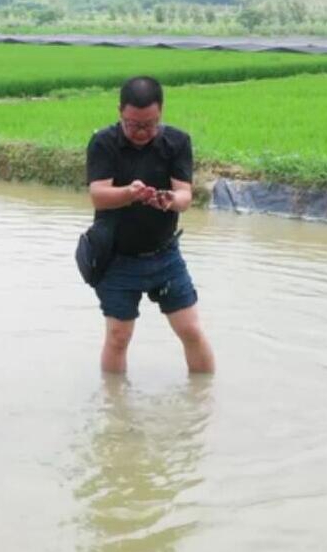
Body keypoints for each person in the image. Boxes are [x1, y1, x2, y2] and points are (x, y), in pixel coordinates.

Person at [85, 76, 215, 374]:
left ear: (161, 113)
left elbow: (185, 196)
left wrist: (170, 199)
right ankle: (115, 410)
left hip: (164, 255)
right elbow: (99, 196)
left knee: (191, 330)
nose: (142, 132)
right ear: (120, 113)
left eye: (150, 124)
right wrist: (130, 193)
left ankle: (205, 402)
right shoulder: (104, 143)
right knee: (118, 338)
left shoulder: (177, 142)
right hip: (115, 258)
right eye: (133, 125)